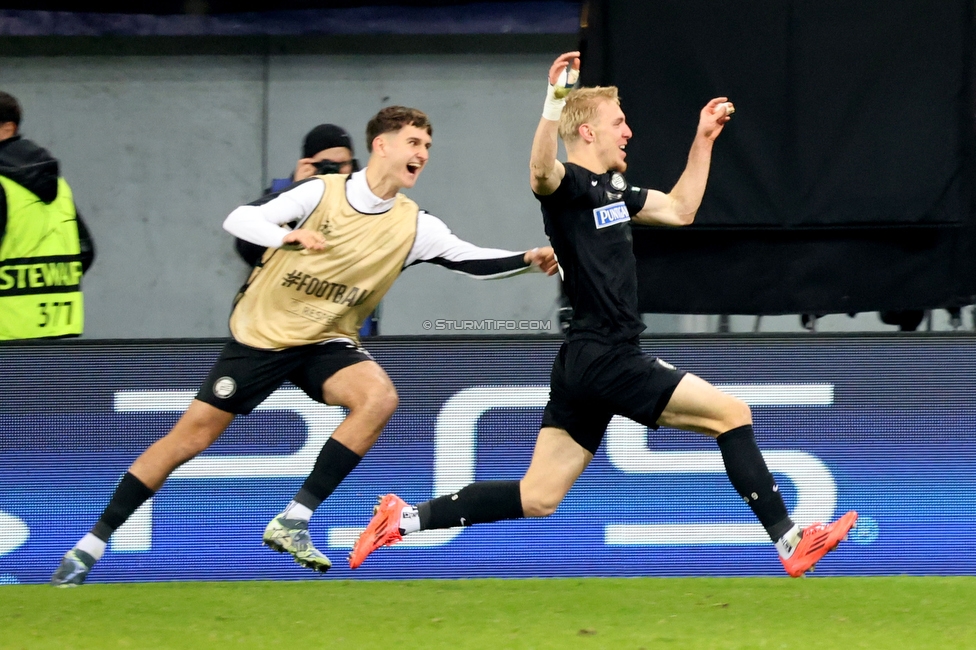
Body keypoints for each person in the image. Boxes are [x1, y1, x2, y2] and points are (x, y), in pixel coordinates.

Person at [350, 53, 858, 578]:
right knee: (731, 414)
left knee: (539, 495)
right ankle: (789, 539)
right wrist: (553, 102)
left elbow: (681, 209)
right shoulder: (567, 185)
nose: (629, 132)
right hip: (608, 354)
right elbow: (539, 170)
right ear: (588, 131)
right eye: (619, 122)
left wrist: (704, 139)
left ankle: (402, 520)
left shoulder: (615, 191)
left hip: (582, 362)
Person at [50, 105, 557, 586]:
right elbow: (240, 221)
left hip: (326, 340)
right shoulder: (321, 193)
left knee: (378, 398)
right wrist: (284, 237)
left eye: (427, 144)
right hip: (263, 336)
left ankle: (294, 519)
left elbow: (468, 258)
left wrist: (527, 257)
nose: (422, 152)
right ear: (381, 145)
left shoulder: (414, 224)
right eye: (413, 142)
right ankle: (89, 547)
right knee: (189, 440)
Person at [0, 90, 95, 340]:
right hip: (55, 329)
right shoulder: (58, 183)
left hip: (5, 329)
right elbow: (85, 250)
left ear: (7, 129)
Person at [235, 123, 359, 267]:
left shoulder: (367, 196)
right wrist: (296, 190)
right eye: (327, 165)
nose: (335, 172)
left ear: (353, 164)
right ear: (309, 164)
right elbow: (249, 250)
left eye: (343, 164)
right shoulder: (281, 193)